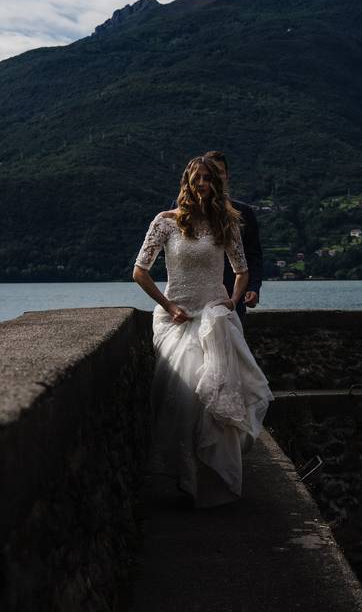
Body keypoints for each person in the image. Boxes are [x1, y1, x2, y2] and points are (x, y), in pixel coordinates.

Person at [132, 155, 274, 508]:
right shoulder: (165, 223)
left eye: (209, 180)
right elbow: (140, 272)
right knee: (185, 400)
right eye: (198, 179)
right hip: (177, 318)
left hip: (214, 318)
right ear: (187, 182)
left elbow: (241, 269)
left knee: (215, 398)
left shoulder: (225, 223)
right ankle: (185, 475)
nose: (203, 185)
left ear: (216, 184)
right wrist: (169, 306)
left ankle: (211, 479)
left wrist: (232, 300)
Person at [202, 150, 262, 323]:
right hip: (194, 298)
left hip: (232, 297)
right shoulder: (179, 210)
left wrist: (253, 287)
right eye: (209, 173)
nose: (214, 178)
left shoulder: (244, 212)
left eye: (219, 172)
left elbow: (254, 255)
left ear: (227, 176)